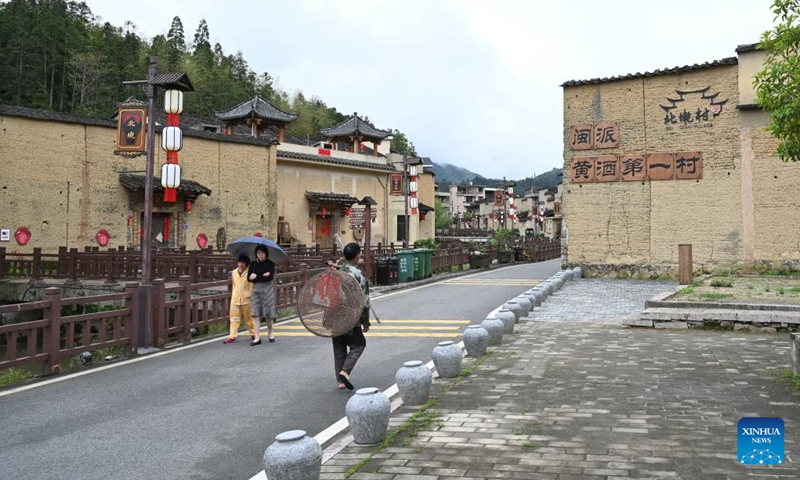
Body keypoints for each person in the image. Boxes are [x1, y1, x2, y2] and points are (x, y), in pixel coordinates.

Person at [332, 242, 371, 390]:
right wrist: (366, 321)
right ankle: (345, 371)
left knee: (339, 346)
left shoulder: (336, 272)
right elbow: (365, 300)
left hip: (334, 313)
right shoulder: (359, 275)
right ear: (357, 257)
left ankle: (340, 381)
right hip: (351, 315)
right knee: (359, 344)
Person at [247, 245, 277, 345]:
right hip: (255, 291)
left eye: (262, 253)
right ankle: (257, 337)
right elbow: (249, 278)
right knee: (255, 314)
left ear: (266, 254)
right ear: (256, 254)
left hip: (267, 291)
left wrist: (256, 277)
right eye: (258, 253)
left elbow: (269, 278)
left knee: (268, 314)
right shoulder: (253, 264)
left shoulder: (271, 264)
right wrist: (259, 276)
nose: (260, 255)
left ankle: (270, 332)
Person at [223, 254, 254, 344]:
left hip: (247, 298)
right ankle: (232, 336)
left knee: (249, 319)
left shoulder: (250, 273)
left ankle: (253, 333)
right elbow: (234, 284)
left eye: (243, 263)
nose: (240, 264)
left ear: (247, 264)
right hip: (235, 298)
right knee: (234, 318)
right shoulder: (234, 272)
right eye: (239, 262)